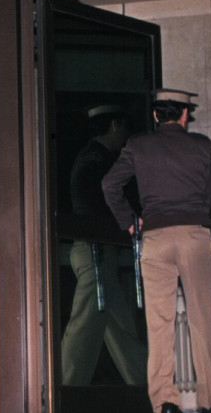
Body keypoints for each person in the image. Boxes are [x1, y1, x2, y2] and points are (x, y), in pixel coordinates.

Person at [101, 89, 211, 413]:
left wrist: (129, 220)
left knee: (159, 325)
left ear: (156, 115)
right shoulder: (202, 146)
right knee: (202, 321)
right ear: (185, 115)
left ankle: (165, 403)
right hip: (195, 238)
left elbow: (109, 184)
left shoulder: (138, 146)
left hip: (155, 239)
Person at [59, 104, 148, 386]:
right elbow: (99, 208)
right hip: (95, 249)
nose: (125, 135)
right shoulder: (97, 161)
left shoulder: (91, 159)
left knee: (117, 326)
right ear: (114, 126)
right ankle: (66, 387)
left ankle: (144, 384)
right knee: (86, 323)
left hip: (95, 250)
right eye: (123, 128)